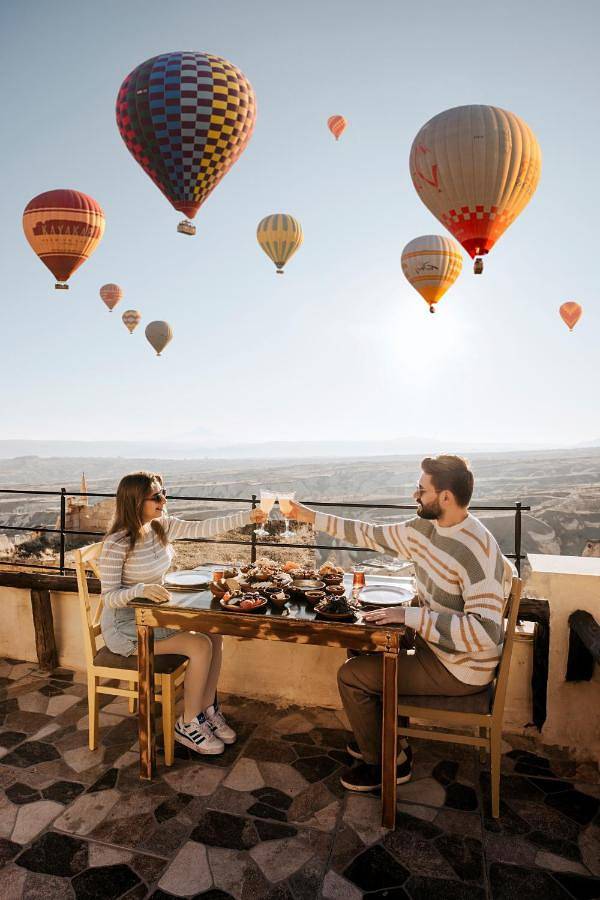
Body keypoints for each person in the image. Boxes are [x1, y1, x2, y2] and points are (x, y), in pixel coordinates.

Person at [288, 455, 515, 792]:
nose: (415, 495)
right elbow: (369, 534)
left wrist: (410, 616)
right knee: (361, 644)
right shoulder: (426, 527)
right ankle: (383, 737)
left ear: (446, 497)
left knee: (352, 677)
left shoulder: (476, 551)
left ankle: (388, 763)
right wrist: (307, 515)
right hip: (437, 648)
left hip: (460, 667)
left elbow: (485, 633)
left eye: (421, 490)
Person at [98, 471, 267, 757]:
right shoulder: (117, 544)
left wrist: (247, 517)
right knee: (198, 644)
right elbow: (109, 598)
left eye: (164, 493)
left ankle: (207, 710)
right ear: (136, 501)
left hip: (155, 615)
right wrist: (140, 589)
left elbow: (203, 528)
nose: (164, 500)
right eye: (157, 496)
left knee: (214, 633)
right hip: (125, 626)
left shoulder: (160, 527)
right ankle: (187, 724)